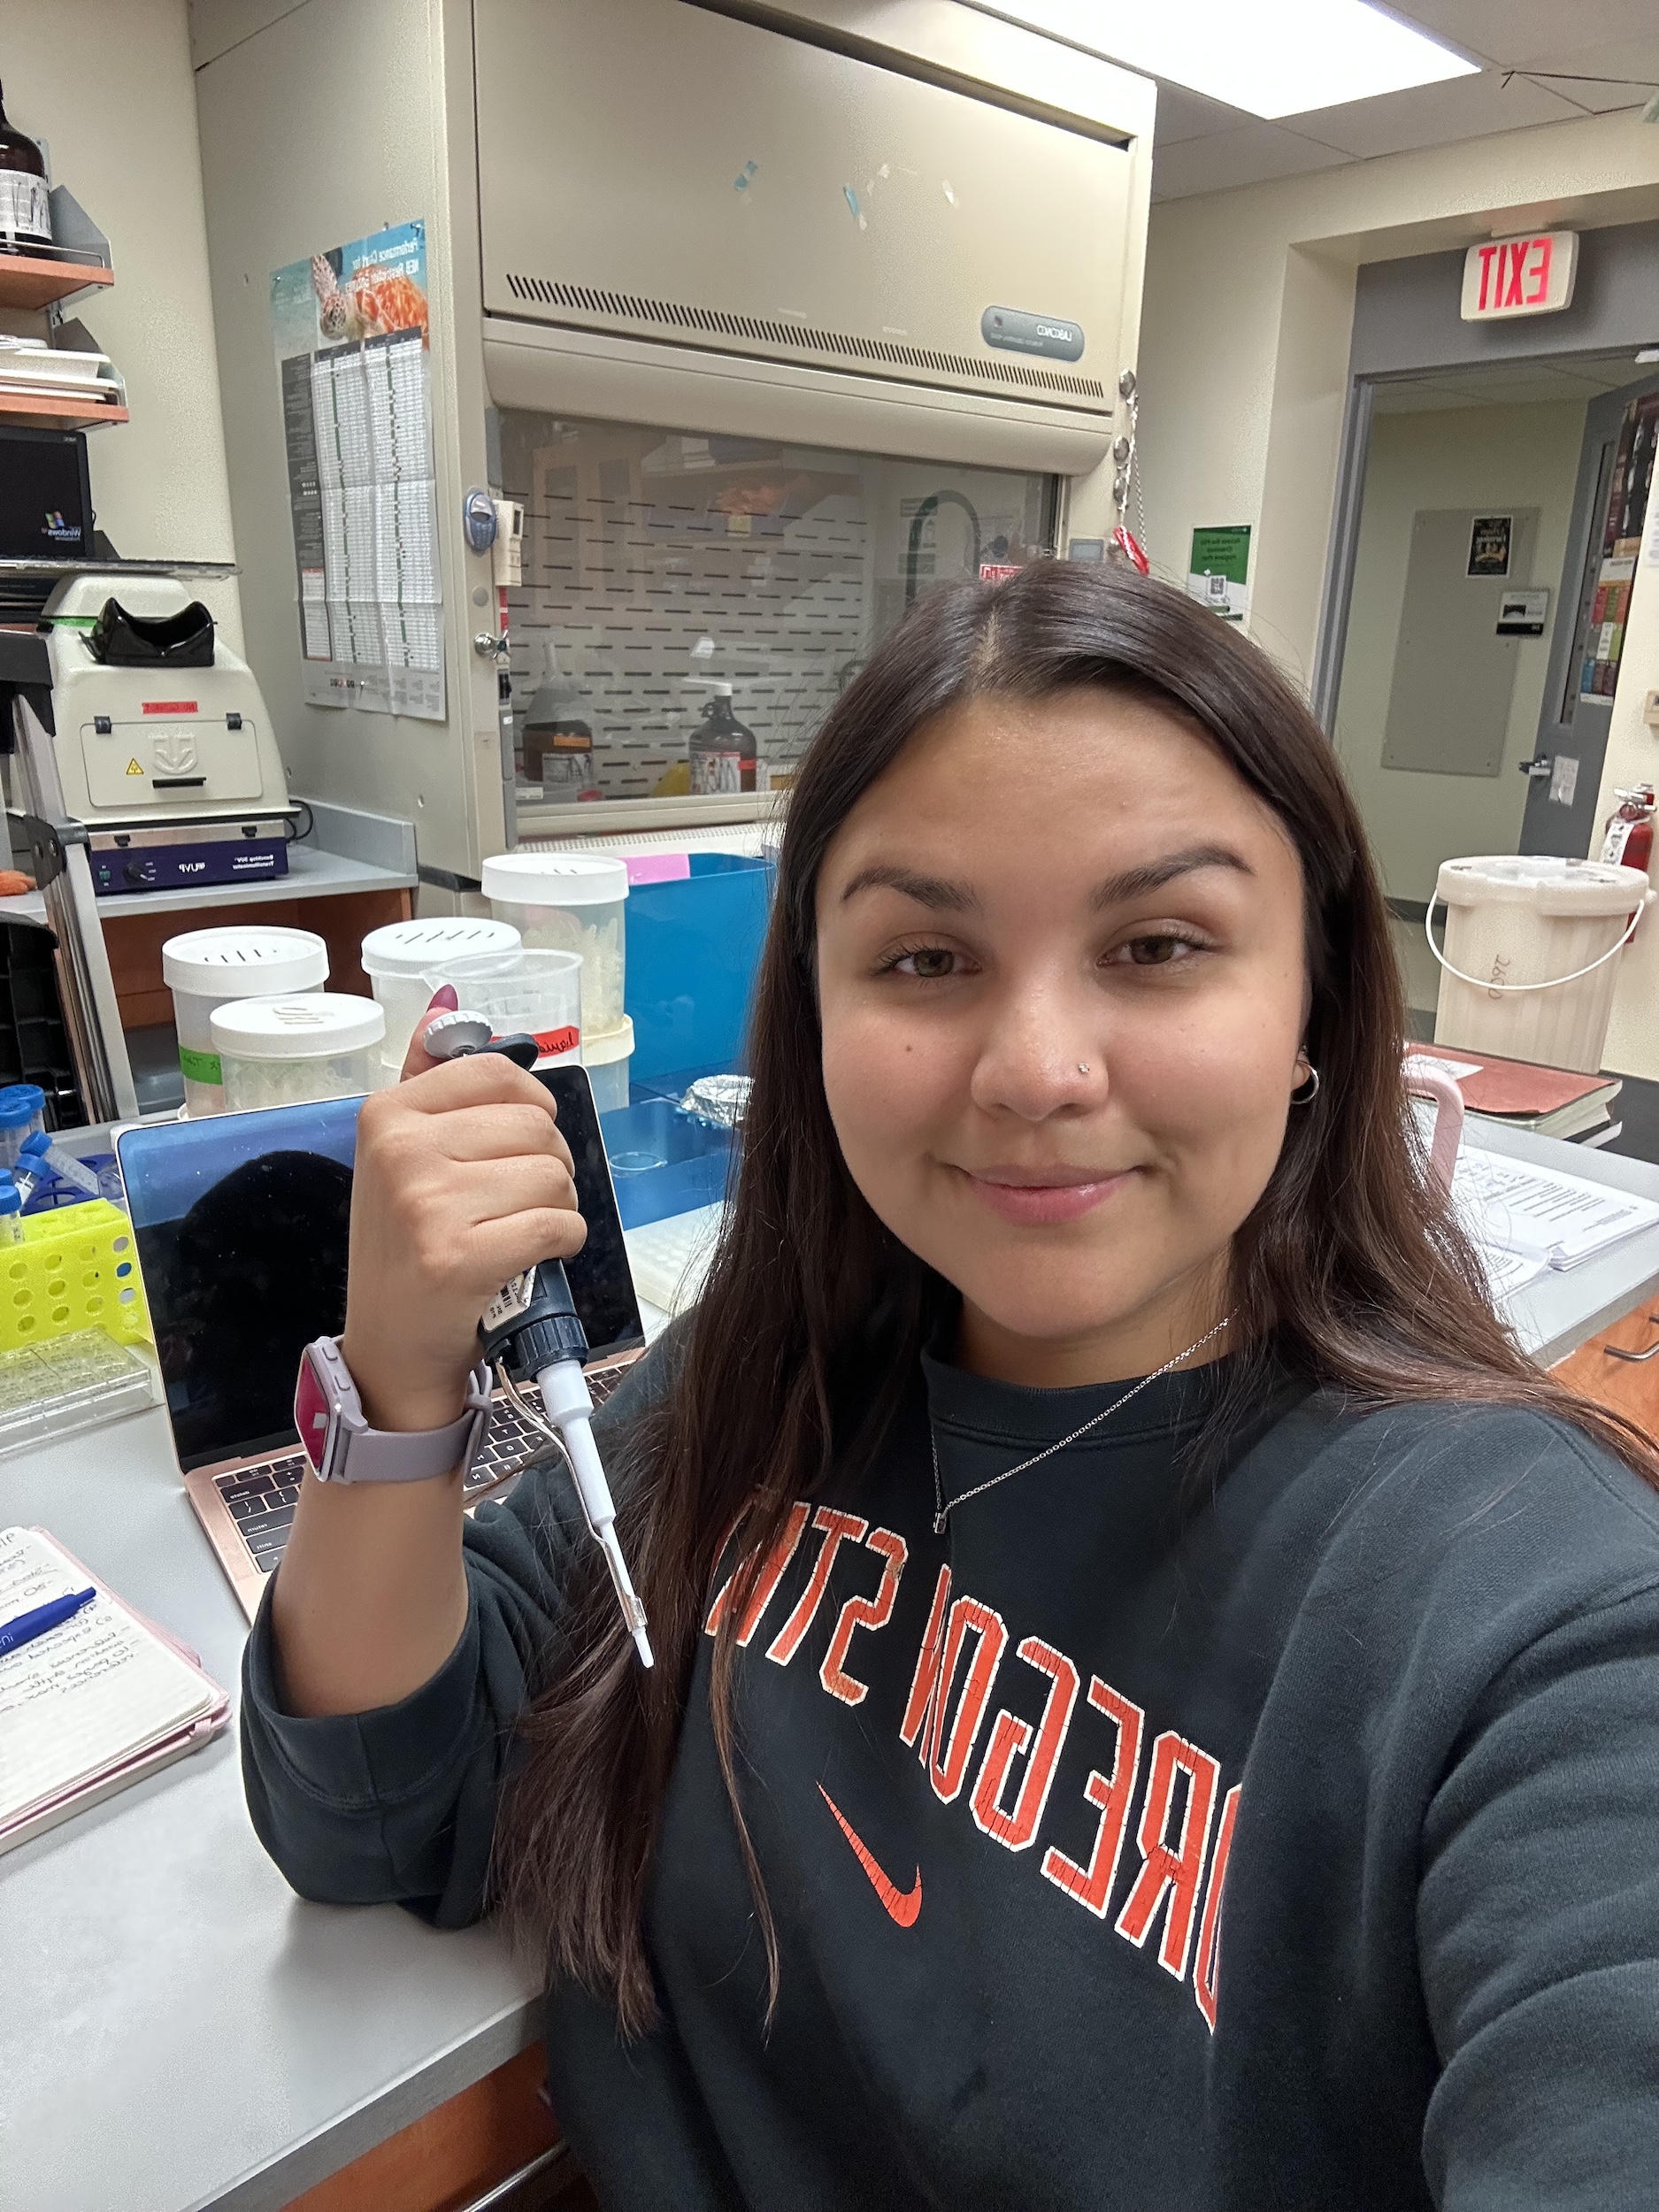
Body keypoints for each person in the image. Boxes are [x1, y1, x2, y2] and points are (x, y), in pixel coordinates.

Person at [242, 563, 1659, 2211]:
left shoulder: (1532, 1616)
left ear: (1312, 1008)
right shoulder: (763, 1383)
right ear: (815, 1014)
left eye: (1157, 944)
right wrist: (399, 1376)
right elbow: (377, 1811)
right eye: (925, 961)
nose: (1038, 1073)